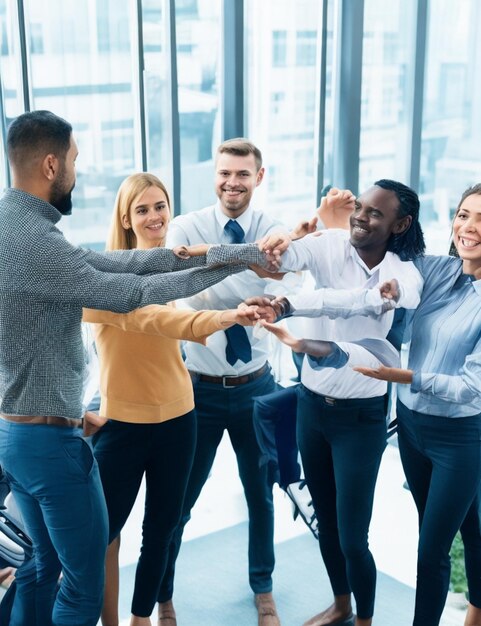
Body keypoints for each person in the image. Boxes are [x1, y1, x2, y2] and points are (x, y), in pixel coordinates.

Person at [0, 111, 274, 626]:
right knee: (81, 589)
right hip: (47, 443)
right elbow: (135, 294)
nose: (77, 173)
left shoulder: (20, 231)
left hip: (19, 433)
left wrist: (244, 254)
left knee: (40, 568)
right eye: (76, 162)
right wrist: (243, 266)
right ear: (52, 164)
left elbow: (129, 264)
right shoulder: (34, 244)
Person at [83, 172, 262, 626]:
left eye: (160, 206)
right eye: (142, 209)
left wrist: (282, 247)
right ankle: (110, 620)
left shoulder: (178, 265)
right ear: (126, 218)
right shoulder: (104, 276)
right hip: (122, 424)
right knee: (105, 533)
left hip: (180, 417)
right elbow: (160, 321)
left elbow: (215, 273)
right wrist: (226, 315)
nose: (154, 216)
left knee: (162, 529)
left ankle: (143, 615)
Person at [257, 179, 425, 626]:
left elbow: (374, 298)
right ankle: (342, 604)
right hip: (312, 407)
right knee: (326, 526)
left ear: (399, 224)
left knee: (353, 536)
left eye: (375, 213)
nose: (361, 217)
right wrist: (283, 244)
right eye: (361, 208)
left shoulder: (402, 269)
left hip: (361, 418)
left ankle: (365, 620)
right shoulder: (330, 245)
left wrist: (389, 293)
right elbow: (292, 258)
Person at [157, 138, 302, 626]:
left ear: (258, 178)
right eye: (225, 173)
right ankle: (162, 594)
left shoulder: (271, 227)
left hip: (255, 388)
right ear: (214, 176)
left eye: (242, 174)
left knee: (261, 497)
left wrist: (264, 266)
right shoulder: (186, 226)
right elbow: (184, 274)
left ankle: (263, 588)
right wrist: (249, 261)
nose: (232, 182)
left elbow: (283, 267)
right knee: (181, 501)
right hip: (195, 388)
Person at [354, 183, 481, 626]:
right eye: (464, 214)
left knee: (431, 551)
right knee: (471, 528)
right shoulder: (438, 270)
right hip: (410, 426)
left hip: (460, 439)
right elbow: (391, 251)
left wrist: (402, 377)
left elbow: (471, 387)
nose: (469, 227)